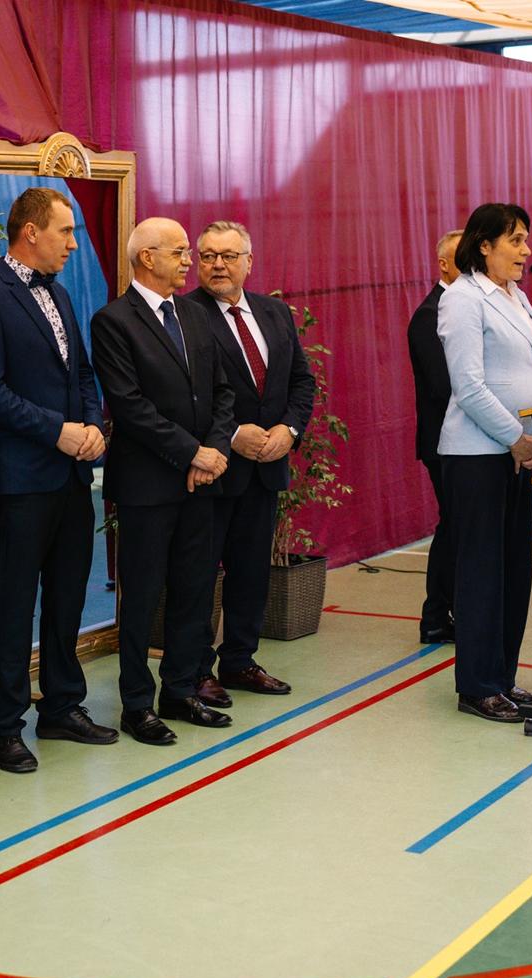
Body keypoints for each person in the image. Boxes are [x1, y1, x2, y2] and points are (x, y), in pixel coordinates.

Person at [0, 187, 115, 773]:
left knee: (69, 595)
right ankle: (5, 726)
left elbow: (82, 373)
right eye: (65, 232)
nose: (73, 244)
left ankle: (63, 707)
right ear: (30, 232)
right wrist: (58, 432)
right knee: (15, 605)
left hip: (71, 476)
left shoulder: (60, 294)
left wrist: (92, 426)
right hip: (21, 480)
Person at [91, 217, 236, 744]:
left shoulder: (194, 315)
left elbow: (222, 392)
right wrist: (192, 452)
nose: (189, 261)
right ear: (147, 257)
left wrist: (213, 452)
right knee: (143, 596)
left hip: (200, 482)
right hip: (147, 487)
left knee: (194, 591)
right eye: (179, 251)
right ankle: (136, 704)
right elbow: (129, 406)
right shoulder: (113, 321)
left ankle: (180, 689)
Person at [184, 220, 314, 708]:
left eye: (228, 256)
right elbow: (184, 394)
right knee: (200, 577)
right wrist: (234, 434)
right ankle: (197, 671)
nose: (218, 265)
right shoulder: (185, 314)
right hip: (213, 469)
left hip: (266, 469)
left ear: (249, 262)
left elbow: (301, 381)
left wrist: (289, 431)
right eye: (208, 256)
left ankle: (239, 660)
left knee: (252, 572)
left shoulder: (274, 312)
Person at [436, 203, 532, 723]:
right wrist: (514, 438)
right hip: (478, 455)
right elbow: (468, 385)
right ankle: (477, 686)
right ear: (484, 245)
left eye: (526, 239)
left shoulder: (517, 296)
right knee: (482, 573)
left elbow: (531, 371)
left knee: (513, 571)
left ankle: (502, 676)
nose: (526, 250)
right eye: (516, 240)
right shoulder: (462, 299)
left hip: (518, 454)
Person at [408, 229, 463, 645]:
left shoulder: (466, 307)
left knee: (457, 526)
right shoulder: (430, 315)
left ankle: (442, 613)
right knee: (455, 525)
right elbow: (443, 387)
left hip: (466, 439)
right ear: (443, 264)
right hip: (446, 442)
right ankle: (435, 615)